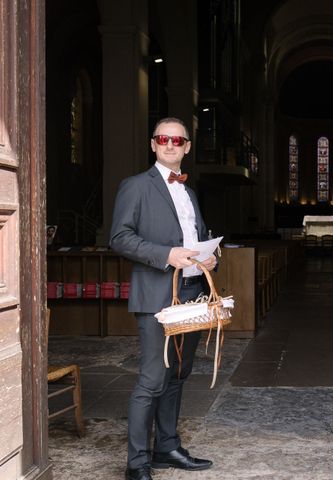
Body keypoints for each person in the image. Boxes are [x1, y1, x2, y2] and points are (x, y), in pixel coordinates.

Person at [110, 117, 217, 480]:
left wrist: (209, 256)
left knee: (178, 376)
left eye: (177, 140)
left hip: (191, 294)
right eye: (163, 138)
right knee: (153, 379)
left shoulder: (190, 192)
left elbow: (197, 237)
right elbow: (120, 238)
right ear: (153, 145)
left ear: (187, 147)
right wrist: (166, 254)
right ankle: (137, 464)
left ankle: (167, 447)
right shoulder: (136, 186)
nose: (170, 144)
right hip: (157, 296)